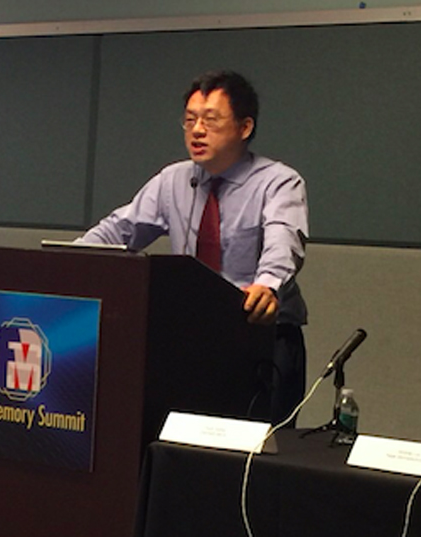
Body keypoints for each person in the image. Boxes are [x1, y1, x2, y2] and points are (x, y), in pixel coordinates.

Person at [77, 70, 308, 425]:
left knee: (256, 450)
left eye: (210, 120)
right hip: (192, 339)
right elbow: (120, 230)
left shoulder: (278, 182)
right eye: (190, 120)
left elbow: (284, 241)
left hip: (261, 337)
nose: (197, 131)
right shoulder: (173, 180)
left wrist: (268, 285)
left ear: (244, 127)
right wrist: (70, 259)